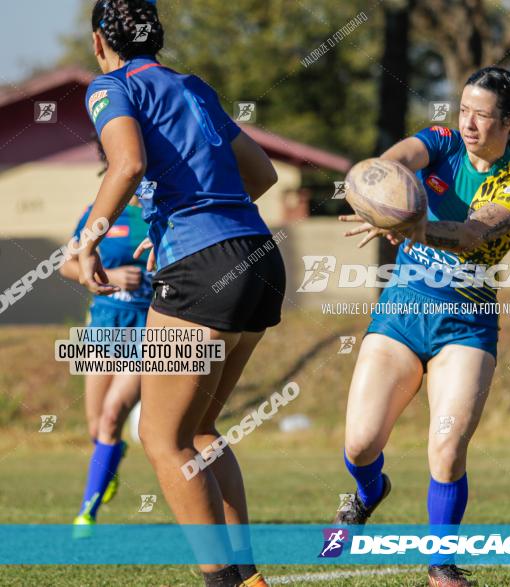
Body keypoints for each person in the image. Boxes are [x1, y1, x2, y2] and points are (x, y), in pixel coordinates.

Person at [79, 2, 284, 585]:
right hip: (257, 254)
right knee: (200, 432)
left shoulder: (111, 85)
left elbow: (126, 165)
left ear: (101, 40)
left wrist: (88, 243)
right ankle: (248, 578)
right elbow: (263, 175)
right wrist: (190, 228)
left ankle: (227, 582)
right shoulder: (191, 85)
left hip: (203, 266)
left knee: (160, 437)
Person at [334, 66, 510, 587]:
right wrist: (381, 189)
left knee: (446, 447)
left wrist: (413, 224)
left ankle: (441, 565)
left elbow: (471, 233)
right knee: (359, 444)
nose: (468, 123)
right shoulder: (440, 141)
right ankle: (370, 489)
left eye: (483, 115)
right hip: (401, 315)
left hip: (466, 327)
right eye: (464, 110)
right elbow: (396, 161)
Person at [61, 141, 151, 532]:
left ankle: (86, 513)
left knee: (114, 415)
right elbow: (67, 264)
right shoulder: (97, 215)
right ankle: (112, 459)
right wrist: (108, 277)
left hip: (151, 329)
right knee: (97, 427)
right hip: (103, 326)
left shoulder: (159, 213)